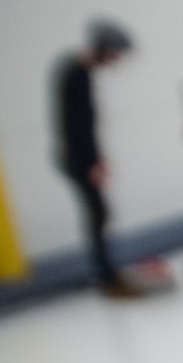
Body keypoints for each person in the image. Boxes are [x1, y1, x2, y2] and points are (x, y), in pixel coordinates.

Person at [49, 18, 139, 297]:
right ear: (103, 48)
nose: (115, 60)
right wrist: (92, 163)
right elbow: (76, 125)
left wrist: (97, 158)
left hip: (80, 155)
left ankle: (106, 273)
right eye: (114, 54)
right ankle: (106, 277)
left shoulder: (78, 71)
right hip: (78, 157)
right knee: (98, 213)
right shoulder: (75, 74)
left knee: (99, 213)